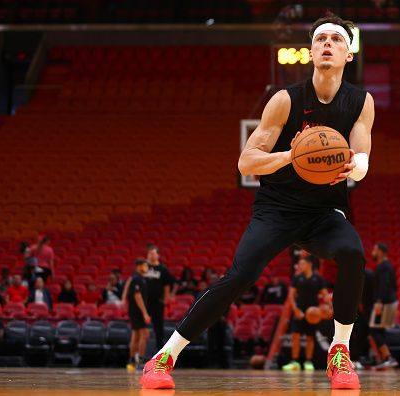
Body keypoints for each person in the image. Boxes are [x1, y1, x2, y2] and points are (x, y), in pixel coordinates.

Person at [141, 14, 373, 390]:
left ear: (348, 54)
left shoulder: (361, 102)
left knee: (353, 253)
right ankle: (164, 357)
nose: (328, 44)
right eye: (320, 39)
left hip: (323, 211)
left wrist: (356, 165)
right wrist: (291, 155)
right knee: (241, 275)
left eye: (336, 40)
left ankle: (339, 352)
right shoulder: (284, 100)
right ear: (311, 51)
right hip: (277, 208)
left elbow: (361, 162)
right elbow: (246, 162)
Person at [282, 256, 328, 371]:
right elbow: (291, 295)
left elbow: (325, 295)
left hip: (313, 313)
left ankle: (308, 361)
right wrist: (295, 309)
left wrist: (326, 306)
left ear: (309, 264)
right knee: (295, 336)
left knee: (310, 337)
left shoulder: (318, 279)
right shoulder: (297, 278)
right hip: (299, 311)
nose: (300, 266)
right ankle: (295, 361)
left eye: (302, 264)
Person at [370, 243, 398, 369]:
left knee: (374, 329)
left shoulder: (384, 266)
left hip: (385, 302)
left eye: (374, 250)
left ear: (380, 252)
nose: (372, 252)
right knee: (379, 330)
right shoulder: (385, 266)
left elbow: (385, 285)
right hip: (388, 301)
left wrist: (379, 301)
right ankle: (384, 358)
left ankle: (388, 357)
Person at [143, 244, 175, 349]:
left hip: (157, 302)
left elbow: (167, 285)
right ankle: (140, 354)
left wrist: (166, 298)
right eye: (150, 253)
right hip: (144, 302)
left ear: (157, 255)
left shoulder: (162, 269)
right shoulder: (143, 268)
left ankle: (159, 352)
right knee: (142, 328)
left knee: (158, 328)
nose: (152, 255)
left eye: (154, 253)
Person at [127, 258, 151, 372]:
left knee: (136, 335)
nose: (147, 268)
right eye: (145, 265)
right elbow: (137, 296)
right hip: (137, 311)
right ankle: (140, 361)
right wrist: (145, 313)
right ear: (138, 266)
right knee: (145, 335)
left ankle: (131, 361)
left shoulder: (138, 278)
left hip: (134, 311)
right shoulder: (137, 279)